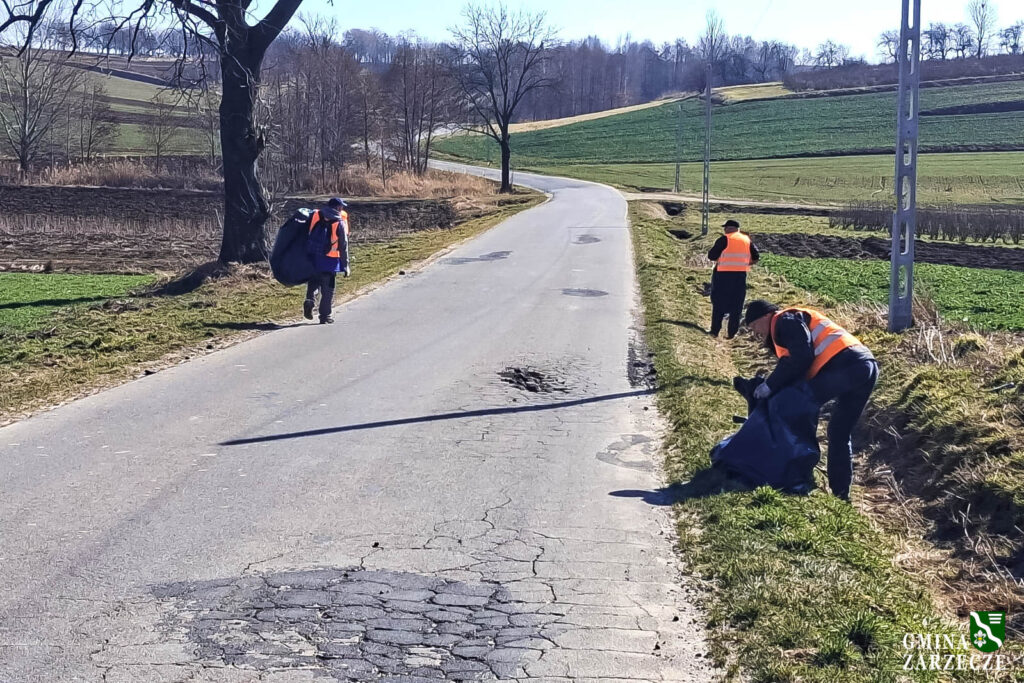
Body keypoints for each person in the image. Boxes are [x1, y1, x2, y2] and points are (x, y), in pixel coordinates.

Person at [742, 299, 879, 501]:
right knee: (838, 432)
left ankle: (796, 471)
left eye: (754, 326)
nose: (756, 333)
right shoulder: (791, 321)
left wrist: (770, 385)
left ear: (765, 316)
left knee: (799, 405)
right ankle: (841, 495)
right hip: (866, 366)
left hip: (846, 365)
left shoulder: (783, 321)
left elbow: (801, 357)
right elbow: (797, 365)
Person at [707, 219, 759, 339]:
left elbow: (712, 256)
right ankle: (732, 333)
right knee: (737, 305)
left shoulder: (724, 239)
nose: (724, 230)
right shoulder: (747, 240)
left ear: (729, 228)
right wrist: (745, 264)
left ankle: (715, 331)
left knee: (718, 303)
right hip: (740, 276)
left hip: (722, 276)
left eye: (725, 228)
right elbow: (756, 257)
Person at [304, 197, 350, 324]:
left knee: (314, 282)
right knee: (328, 289)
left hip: (314, 257)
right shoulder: (339, 222)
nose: (342, 209)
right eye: (341, 207)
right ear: (337, 207)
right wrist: (346, 265)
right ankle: (325, 316)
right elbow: (343, 245)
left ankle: (310, 300)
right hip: (330, 261)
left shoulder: (316, 215)